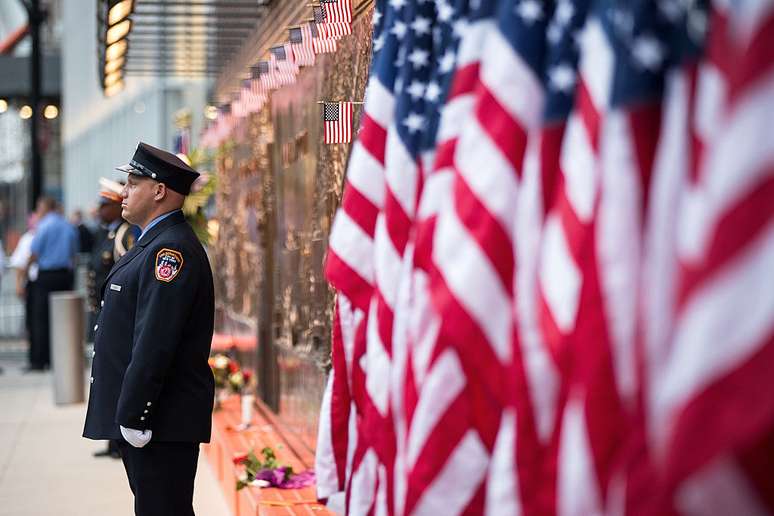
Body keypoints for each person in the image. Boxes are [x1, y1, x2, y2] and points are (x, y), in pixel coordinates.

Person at [83, 142, 215, 516]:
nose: (123, 192)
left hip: (159, 420)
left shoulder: (169, 251)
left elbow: (155, 340)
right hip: (156, 419)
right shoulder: (154, 243)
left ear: (159, 191)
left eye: (133, 183)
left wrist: (135, 415)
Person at [88, 179, 140, 460]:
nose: (100, 211)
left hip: (116, 316)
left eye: (104, 205)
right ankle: (111, 439)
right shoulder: (108, 234)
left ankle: (117, 439)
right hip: (103, 312)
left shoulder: (125, 236)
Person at [28, 197, 78, 371]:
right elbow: (74, 254)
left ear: (45, 208)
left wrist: (27, 271)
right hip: (64, 275)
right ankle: (60, 359)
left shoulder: (44, 226)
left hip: (46, 275)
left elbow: (34, 252)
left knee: (40, 319)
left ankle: (40, 361)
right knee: (63, 320)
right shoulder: (67, 226)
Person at [9, 214, 40, 372]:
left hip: (39, 283)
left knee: (38, 323)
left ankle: (38, 359)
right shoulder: (27, 238)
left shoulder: (39, 235)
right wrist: (19, 285)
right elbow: (19, 264)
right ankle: (35, 358)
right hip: (31, 284)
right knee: (32, 324)